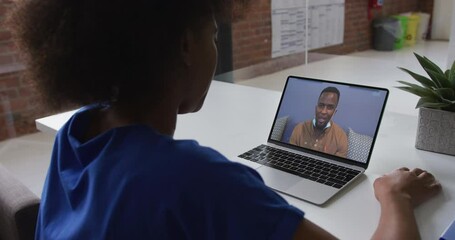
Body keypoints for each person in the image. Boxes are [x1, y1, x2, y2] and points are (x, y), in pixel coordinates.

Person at [9, 0, 441, 239]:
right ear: (184, 46)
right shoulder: (196, 178)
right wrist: (394, 196)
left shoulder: (76, 133)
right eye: (213, 34)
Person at [290, 87, 348, 157]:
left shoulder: (341, 137)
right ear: (316, 107)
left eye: (329, 107)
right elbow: (291, 157)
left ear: (334, 112)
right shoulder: (299, 129)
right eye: (321, 105)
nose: (323, 111)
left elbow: (338, 166)